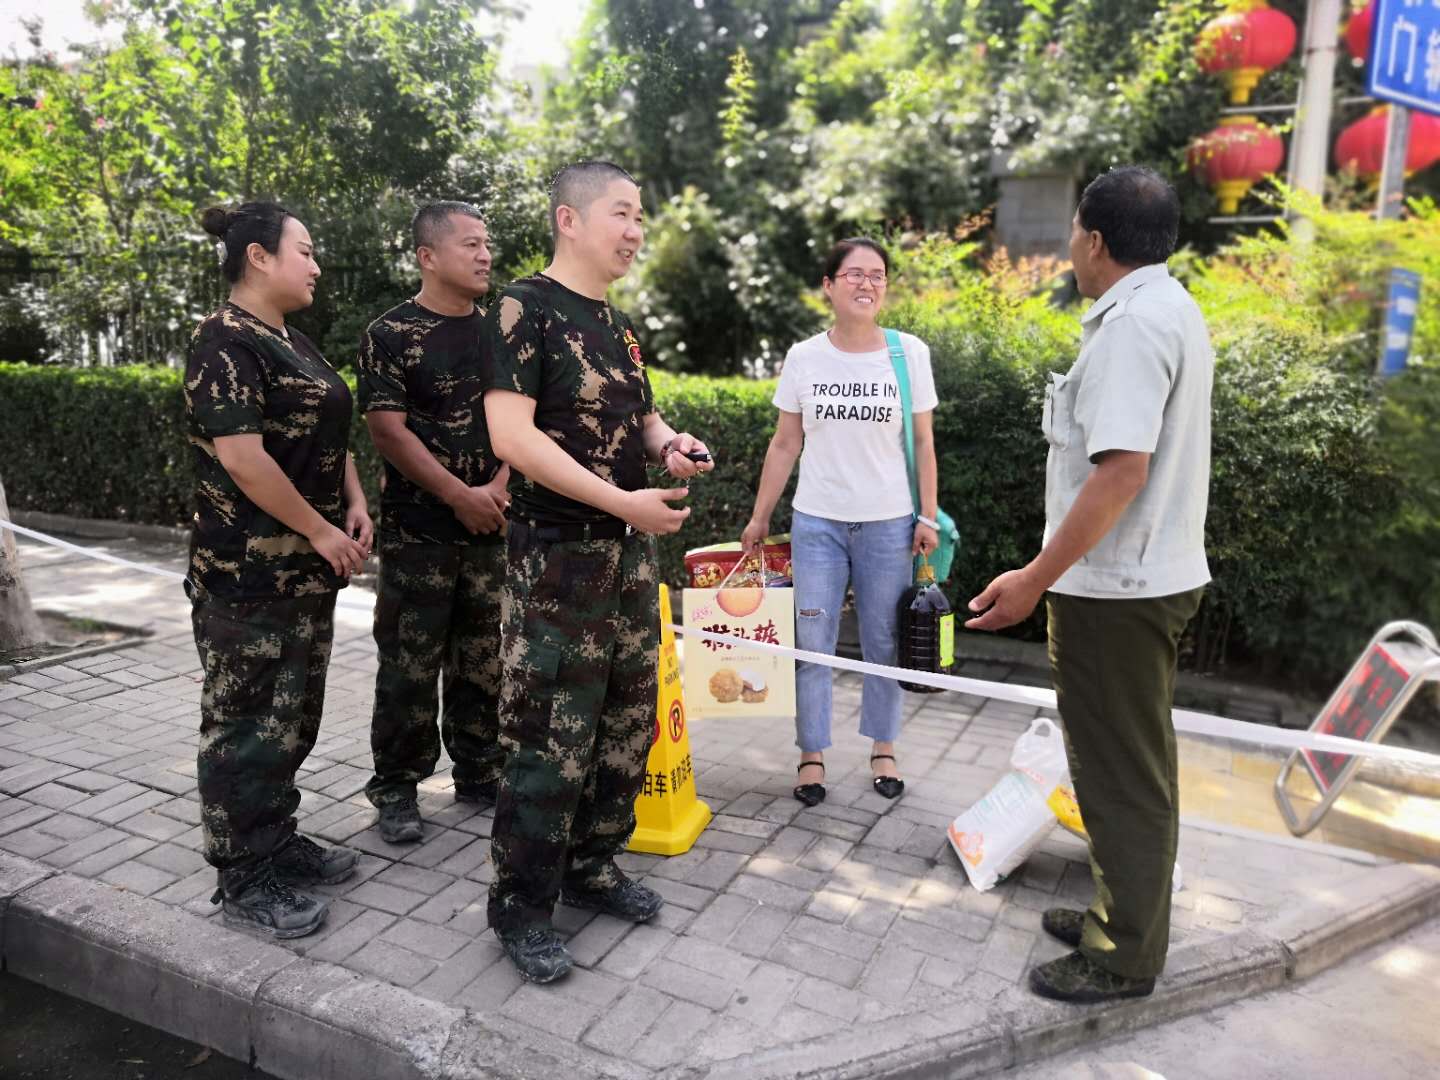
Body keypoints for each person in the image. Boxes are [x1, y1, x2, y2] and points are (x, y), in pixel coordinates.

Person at [966, 166, 1213, 1004]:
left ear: (1095, 240)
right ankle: (1123, 910)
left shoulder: (1133, 328)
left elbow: (1119, 474)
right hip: (1140, 580)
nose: (1071, 244)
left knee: (1120, 772)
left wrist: (1035, 579)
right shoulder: (1166, 309)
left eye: (1074, 230)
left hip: (1120, 590)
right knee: (1126, 762)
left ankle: (1124, 953)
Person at [482, 160, 713, 983]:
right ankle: (521, 905)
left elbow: (642, 417)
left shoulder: (614, 324)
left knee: (624, 717)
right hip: (557, 564)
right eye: (623, 211)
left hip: (624, 557)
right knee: (550, 733)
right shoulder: (523, 307)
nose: (637, 229)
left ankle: (592, 865)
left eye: (640, 214)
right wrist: (622, 502)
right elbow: (512, 438)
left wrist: (670, 447)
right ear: (569, 219)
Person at [186, 202, 371, 939]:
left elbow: (332, 435)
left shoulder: (291, 340)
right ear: (259, 257)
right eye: (306, 249)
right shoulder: (224, 340)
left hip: (303, 571)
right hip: (247, 573)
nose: (316, 265)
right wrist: (323, 530)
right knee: (244, 726)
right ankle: (243, 876)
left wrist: (354, 502)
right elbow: (243, 457)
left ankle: (276, 839)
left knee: (290, 718)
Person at [741, 238, 939, 808]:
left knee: (883, 638)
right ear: (828, 285)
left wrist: (926, 514)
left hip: (888, 524)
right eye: (853, 274)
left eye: (876, 275)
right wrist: (759, 518)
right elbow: (784, 444)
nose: (866, 284)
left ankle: (883, 748)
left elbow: (923, 442)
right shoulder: (804, 356)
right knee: (813, 641)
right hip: (817, 523)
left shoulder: (908, 354)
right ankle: (811, 755)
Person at [356, 201, 510, 843]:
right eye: (470, 244)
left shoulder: (502, 332)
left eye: (486, 245)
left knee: (485, 659)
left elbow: (524, 420)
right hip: (420, 535)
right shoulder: (389, 334)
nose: (484, 256)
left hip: (493, 527)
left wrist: (498, 489)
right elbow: (388, 431)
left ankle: (479, 768)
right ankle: (396, 786)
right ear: (427, 256)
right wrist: (460, 496)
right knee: (409, 666)